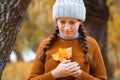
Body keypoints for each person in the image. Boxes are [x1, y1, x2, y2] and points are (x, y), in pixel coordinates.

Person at [28, 0, 107, 80]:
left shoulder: (92, 44)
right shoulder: (45, 44)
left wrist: (80, 75)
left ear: (79, 22)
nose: (67, 28)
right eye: (62, 22)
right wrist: (55, 74)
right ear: (56, 21)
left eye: (72, 23)